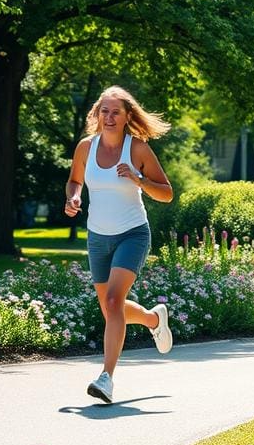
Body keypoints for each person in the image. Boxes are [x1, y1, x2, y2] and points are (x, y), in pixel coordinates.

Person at [64, 86, 175, 404]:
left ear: (128, 117)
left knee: (113, 301)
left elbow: (166, 193)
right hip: (97, 237)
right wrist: (73, 196)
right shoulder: (86, 148)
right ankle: (154, 319)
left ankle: (106, 379)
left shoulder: (137, 149)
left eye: (115, 112)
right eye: (104, 111)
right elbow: (75, 180)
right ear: (97, 114)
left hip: (132, 234)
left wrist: (139, 180)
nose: (109, 117)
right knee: (110, 308)